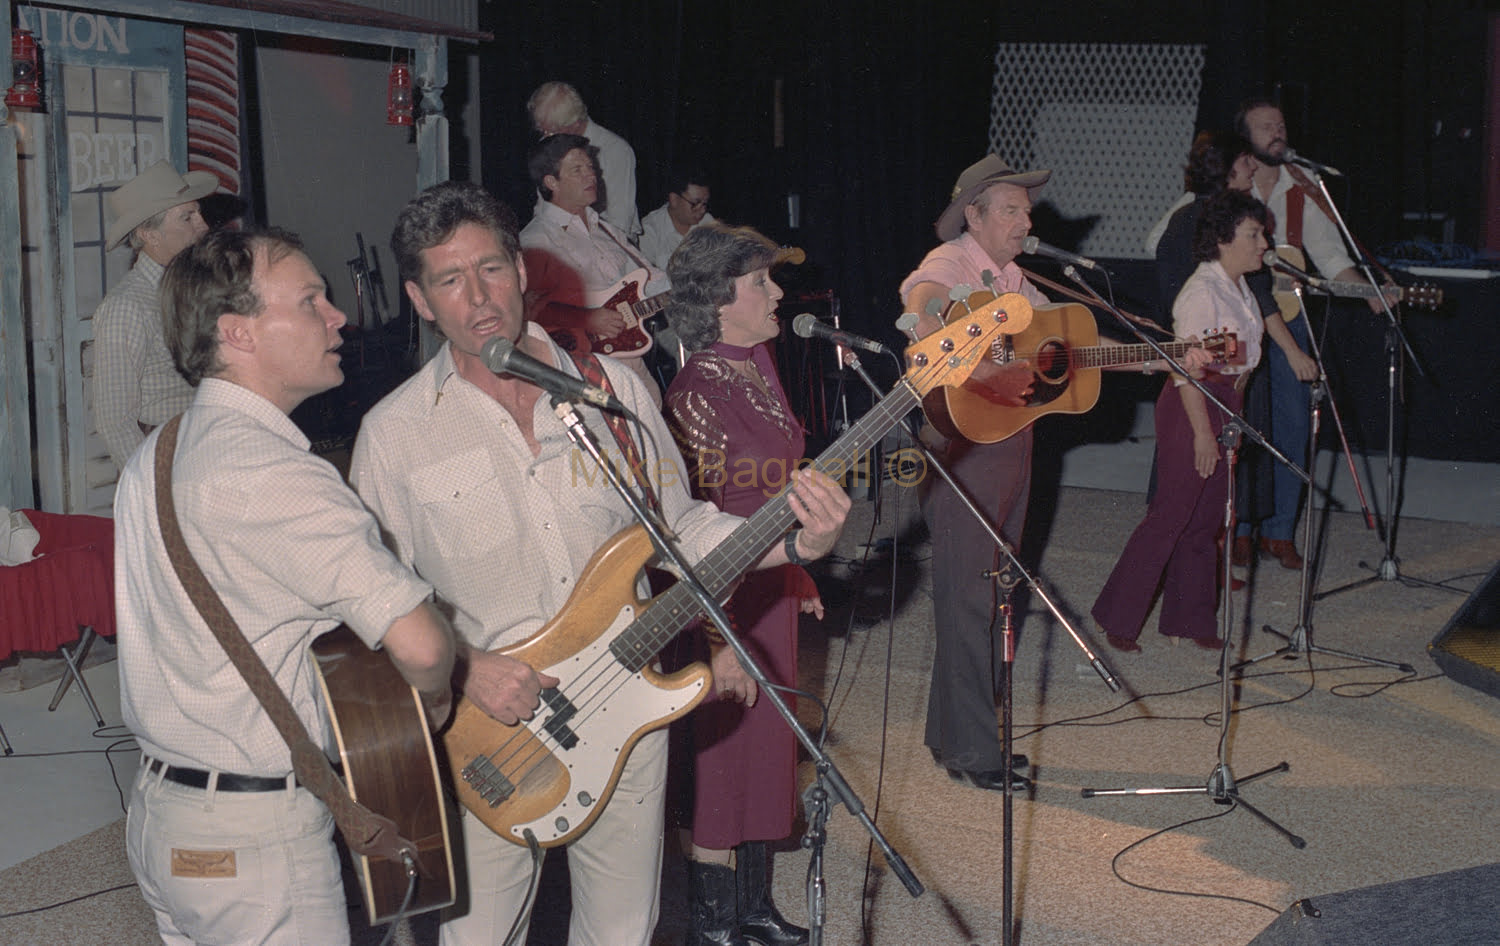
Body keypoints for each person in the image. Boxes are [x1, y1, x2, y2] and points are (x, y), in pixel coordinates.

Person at [349, 181, 851, 946]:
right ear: (421, 300)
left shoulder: (611, 393)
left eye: (490, 268)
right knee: (480, 937)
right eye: (450, 280)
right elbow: (373, 605)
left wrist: (794, 543)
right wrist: (464, 669)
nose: (478, 297)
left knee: (622, 929)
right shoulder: (394, 435)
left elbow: (678, 528)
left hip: (628, 703)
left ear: (522, 271)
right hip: (489, 732)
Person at [115, 226, 533, 945]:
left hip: (161, 819)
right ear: (237, 332)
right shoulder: (279, 476)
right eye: (311, 301)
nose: (339, 317)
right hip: (255, 842)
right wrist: (434, 700)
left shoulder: (162, 450)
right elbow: (421, 642)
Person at [663, 223, 816, 946]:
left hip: (772, 585)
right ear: (720, 300)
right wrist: (718, 633)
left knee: (769, 747)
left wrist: (800, 570)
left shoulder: (759, 360)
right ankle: (715, 923)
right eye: (761, 282)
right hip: (722, 599)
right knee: (724, 758)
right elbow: (698, 524)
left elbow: (779, 485)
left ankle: (754, 907)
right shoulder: (695, 391)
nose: (776, 291)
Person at [1091, 190, 1269, 651]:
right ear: (1225, 240)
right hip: (1193, 405)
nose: (1264, 243)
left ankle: (1190, 621)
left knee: (1206, 519)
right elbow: (1183, 369)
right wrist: (1203, 433)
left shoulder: (1241, 288)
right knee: (1170, 515)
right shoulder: (1201, 292)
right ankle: (1117, 618)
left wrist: (1232, 417)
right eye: (1254, 234)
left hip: (1227, 403)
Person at [1232, 98, 1391, 570]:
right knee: (1241, 422)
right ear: (1245, 139)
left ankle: (1279, 531)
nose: (1277, 132)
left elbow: (1332, 256)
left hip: (1289, 316)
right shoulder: (1228, 186)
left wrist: (1370, 293)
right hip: (1232, 323)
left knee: (1297, 425)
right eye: (1265, 127)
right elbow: (1165, 238)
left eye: (1281, 124)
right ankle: (1238, 528)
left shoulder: (1302, 189)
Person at [519, 133, 667, 399]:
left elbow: (653, 279)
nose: (591, 175)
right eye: (578, 170)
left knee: (654, 432)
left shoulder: (608, 231)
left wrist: (695, 283)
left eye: (590, 167)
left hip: (630, 360)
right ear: (552, 182)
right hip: (579, 369)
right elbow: (527, 309)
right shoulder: (536, 239)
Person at [92, 160, 214, 471]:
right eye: (188, 217)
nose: (203, 226)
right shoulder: (126, 307)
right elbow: (114, 421)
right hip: (168, 462)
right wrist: (151, 488)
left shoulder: (195, 289)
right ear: (150, 234)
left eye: (199, 212)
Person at [1153, 131, 1263, 323]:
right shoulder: (1211, 219)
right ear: (1225, 167)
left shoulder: (1185, 215)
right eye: (1246, 160)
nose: (1254, 167)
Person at [528, 80, 641, 240]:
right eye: (542, 130)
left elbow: (619, 224)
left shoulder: (615, 150)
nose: (546, 137)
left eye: (552, 131)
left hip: (608, 246)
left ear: (575, 123)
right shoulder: (548, 145)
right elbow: (543, 207)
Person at [640, 169, 715, 270]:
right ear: (674, 199)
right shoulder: (649, 230)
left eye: (705, 203)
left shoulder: (708, 222)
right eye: (695, 204)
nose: (702, 210)